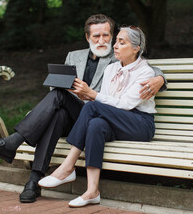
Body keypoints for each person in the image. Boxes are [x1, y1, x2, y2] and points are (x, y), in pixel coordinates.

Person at [0, 14, 166, 203]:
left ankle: (30, 157)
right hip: (82, 112)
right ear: (87, 37)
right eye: (96, 36)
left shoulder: (116, 59)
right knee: (58, 108)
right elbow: (58, 88)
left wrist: (160, 79)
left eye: (107, 36)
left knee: (77, 109)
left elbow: (147, 68)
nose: (103, 41)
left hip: (107, 113)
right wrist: (76, 93)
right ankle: (35, 180)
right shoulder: (77, 57)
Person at [38, 26, 156, 208]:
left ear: (136, 48)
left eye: (121, 42)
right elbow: (106, 103)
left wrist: (92, 95)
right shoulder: (111, 69)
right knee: (95, 124)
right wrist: (85, 94)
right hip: (116, 119)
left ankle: (68, 166)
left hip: (139, 124)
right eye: (116, 41)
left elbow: (125, 104)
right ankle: (92, 191)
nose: (115, 45)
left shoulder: (145, 73)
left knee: (93, 106)